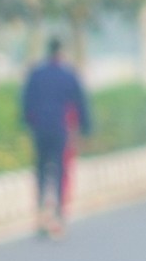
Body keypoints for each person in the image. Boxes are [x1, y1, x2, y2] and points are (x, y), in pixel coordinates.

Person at [20, 36, 92, 239]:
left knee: (41, 170)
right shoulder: (68, 75)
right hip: (60, 129)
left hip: (40, 129)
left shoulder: (36, 74)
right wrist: (86, 128)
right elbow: (81, 102)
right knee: (60, 170)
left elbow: (26, 102)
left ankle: (41, 215)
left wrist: (28, 123)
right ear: (62, 52)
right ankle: (59, 213)